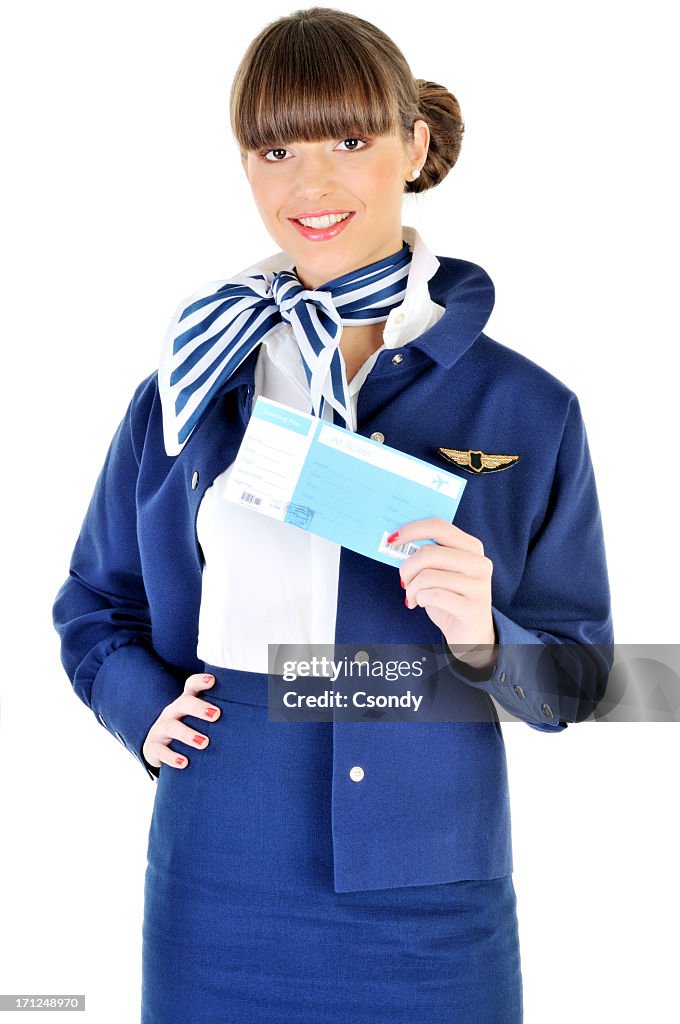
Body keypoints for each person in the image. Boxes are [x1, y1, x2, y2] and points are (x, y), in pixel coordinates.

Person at [52, 6, 613, 1023]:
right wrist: (142, 708)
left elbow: (577, 679)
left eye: (349, 141)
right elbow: (94, 602)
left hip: (431, 883)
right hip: (220, 857)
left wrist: (486, 638)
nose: (309, 185)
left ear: (416, 144)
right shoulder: (188, 391)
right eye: (274, 149)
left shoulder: (528, 410)